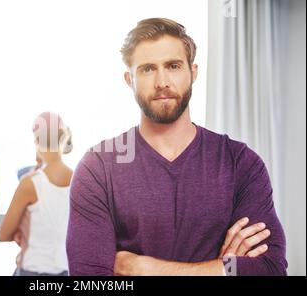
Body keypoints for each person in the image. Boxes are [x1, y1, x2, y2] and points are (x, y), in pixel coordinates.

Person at [66, 18, 287, 276]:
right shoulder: (98, 167)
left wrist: (143, 267)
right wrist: (222, 269)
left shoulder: (240, 162)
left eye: (173, 66)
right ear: (130, 80)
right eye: (147, 69)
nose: (162, 81)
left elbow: (269, 268)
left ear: (193, 72)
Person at [0, 112, 73, 276]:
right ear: (64, 138)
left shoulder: (30, 182)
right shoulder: (79, 181)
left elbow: (4, 234)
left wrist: (21, 231)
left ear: (36, 141)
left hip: (33, 269)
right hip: (65, 270)